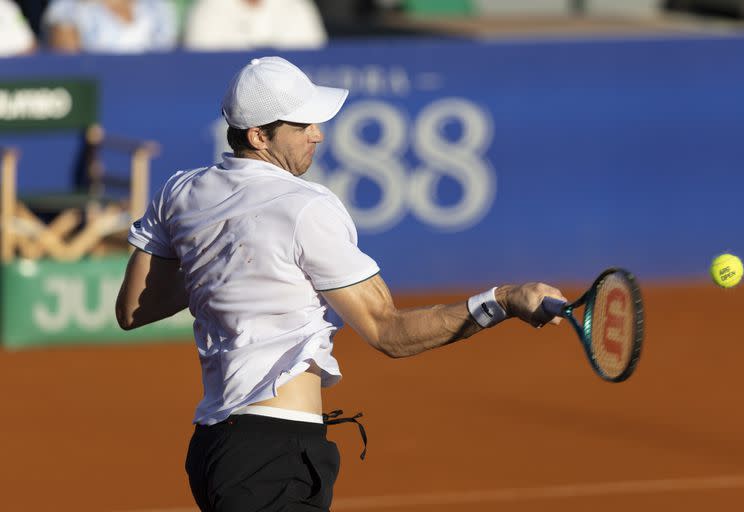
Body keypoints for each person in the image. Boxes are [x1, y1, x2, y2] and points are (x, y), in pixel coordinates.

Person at [115, 56, 566, 512]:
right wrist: (502, 301)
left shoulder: (179, 192)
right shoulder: (307, 206)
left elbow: (134, 310)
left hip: (215, 450)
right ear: (259, 136)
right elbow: (388, 332)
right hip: (275, 453)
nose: (318, 133)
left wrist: (220, 267)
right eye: (303, 124)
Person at [183, 0, 327, 51]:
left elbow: (317, 57)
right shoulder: (208, 7)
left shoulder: (297, 6)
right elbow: (199, 67)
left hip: (289, 96)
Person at [42, 0, 178, 54]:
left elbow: (167, 61)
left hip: (151, 93)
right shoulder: (68, 7)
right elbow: (67, 64)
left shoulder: (157, 6)